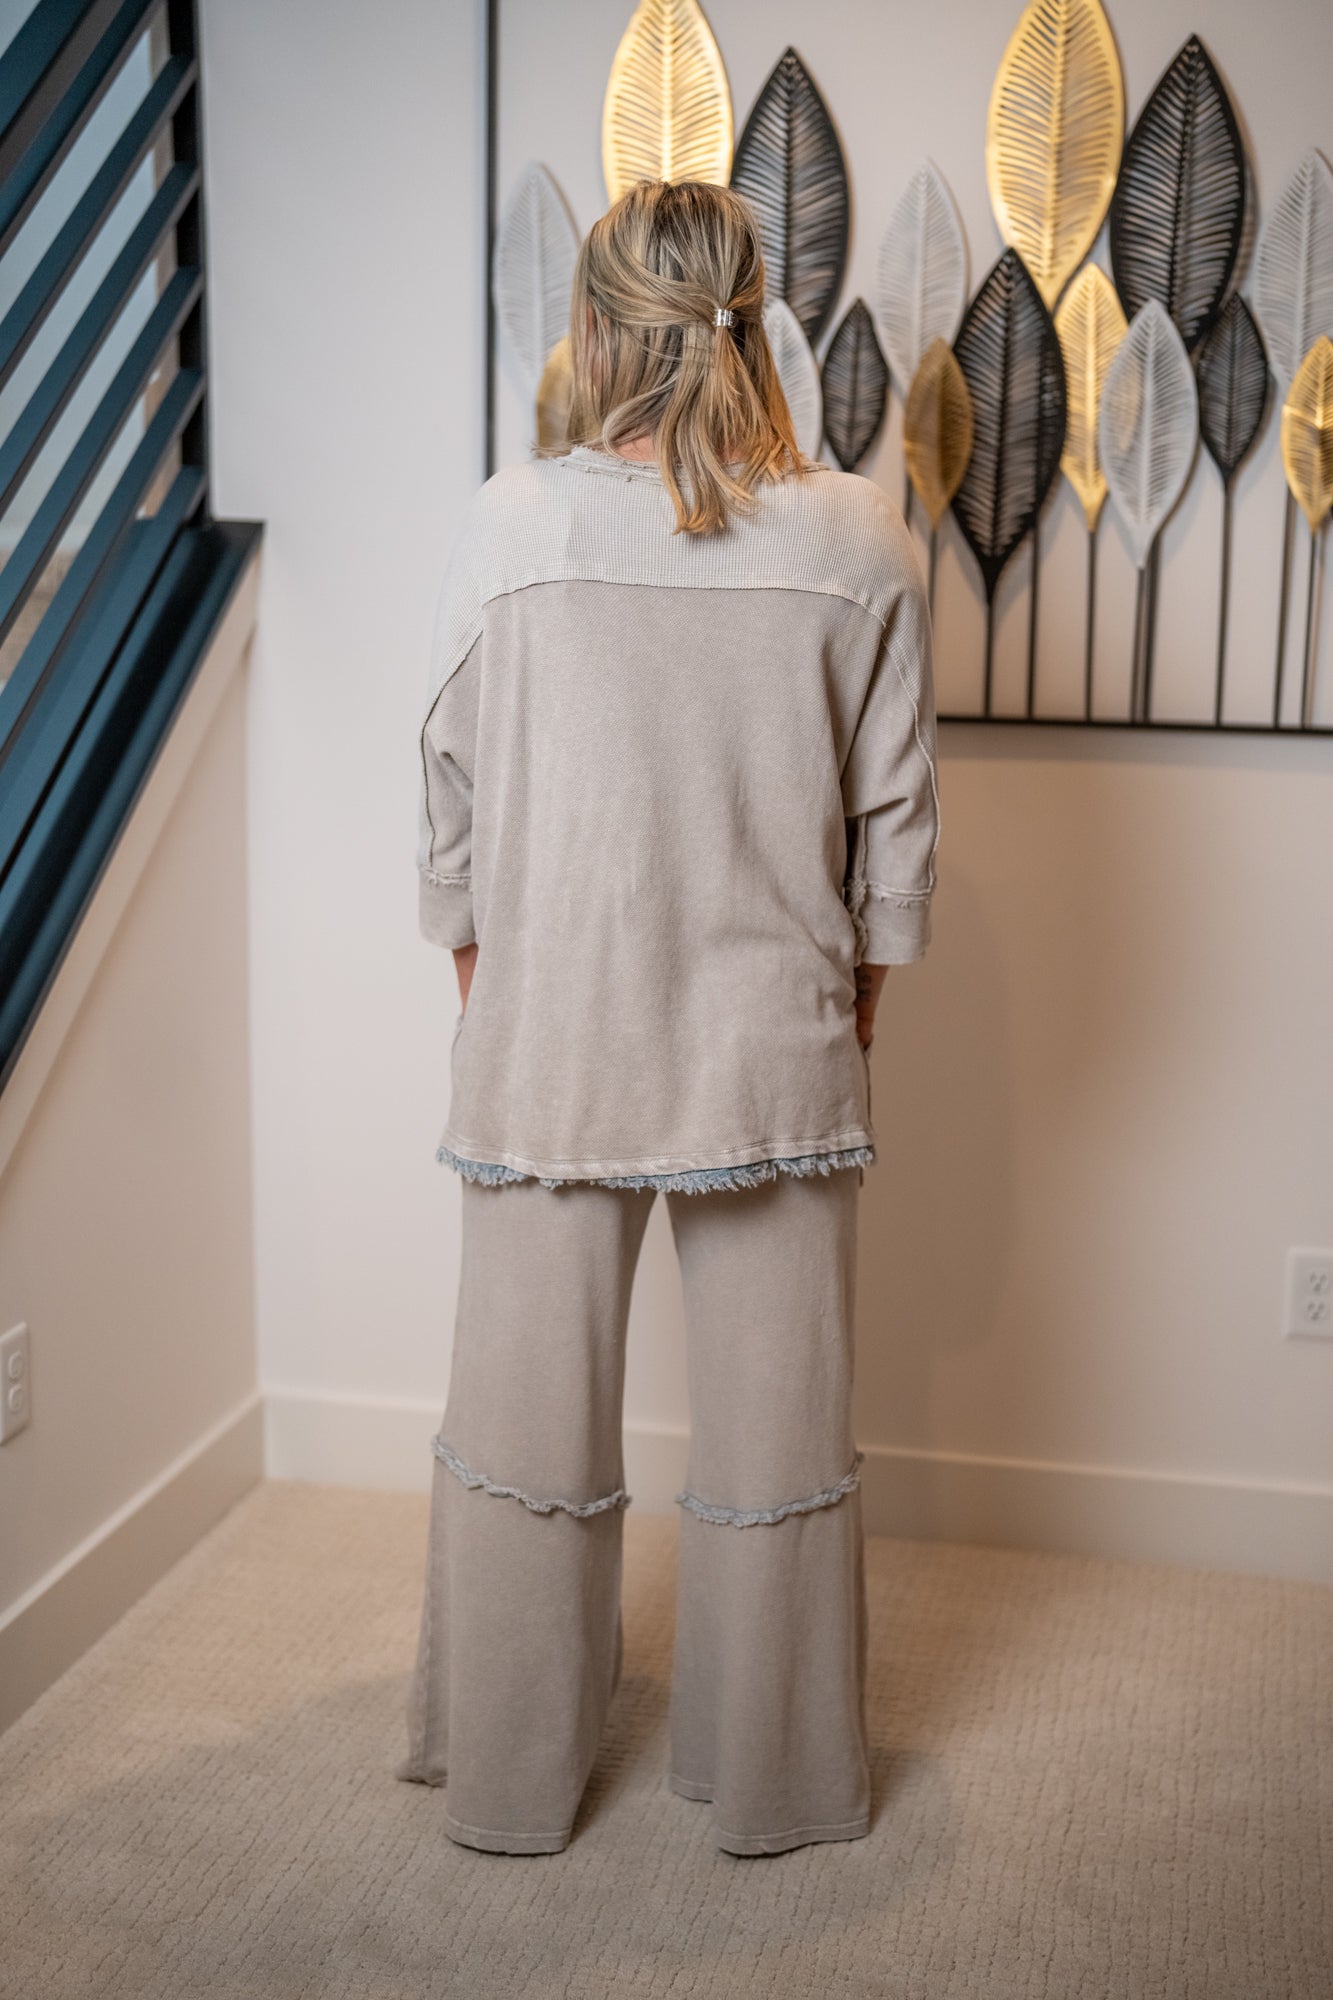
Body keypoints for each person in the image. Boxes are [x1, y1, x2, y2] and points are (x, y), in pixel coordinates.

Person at [394, 177, 940, 1858]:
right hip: (771, 1043)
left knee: (517, 1432)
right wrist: (838, 1015)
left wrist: (487, 975)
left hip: (548, 1040)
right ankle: (770, 1783)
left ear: (595, 320)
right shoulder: (861, 533)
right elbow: (895, 837)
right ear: (753, 312)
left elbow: (449, 800)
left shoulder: (510, 523)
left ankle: (505, 1778)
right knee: (781, 1437)